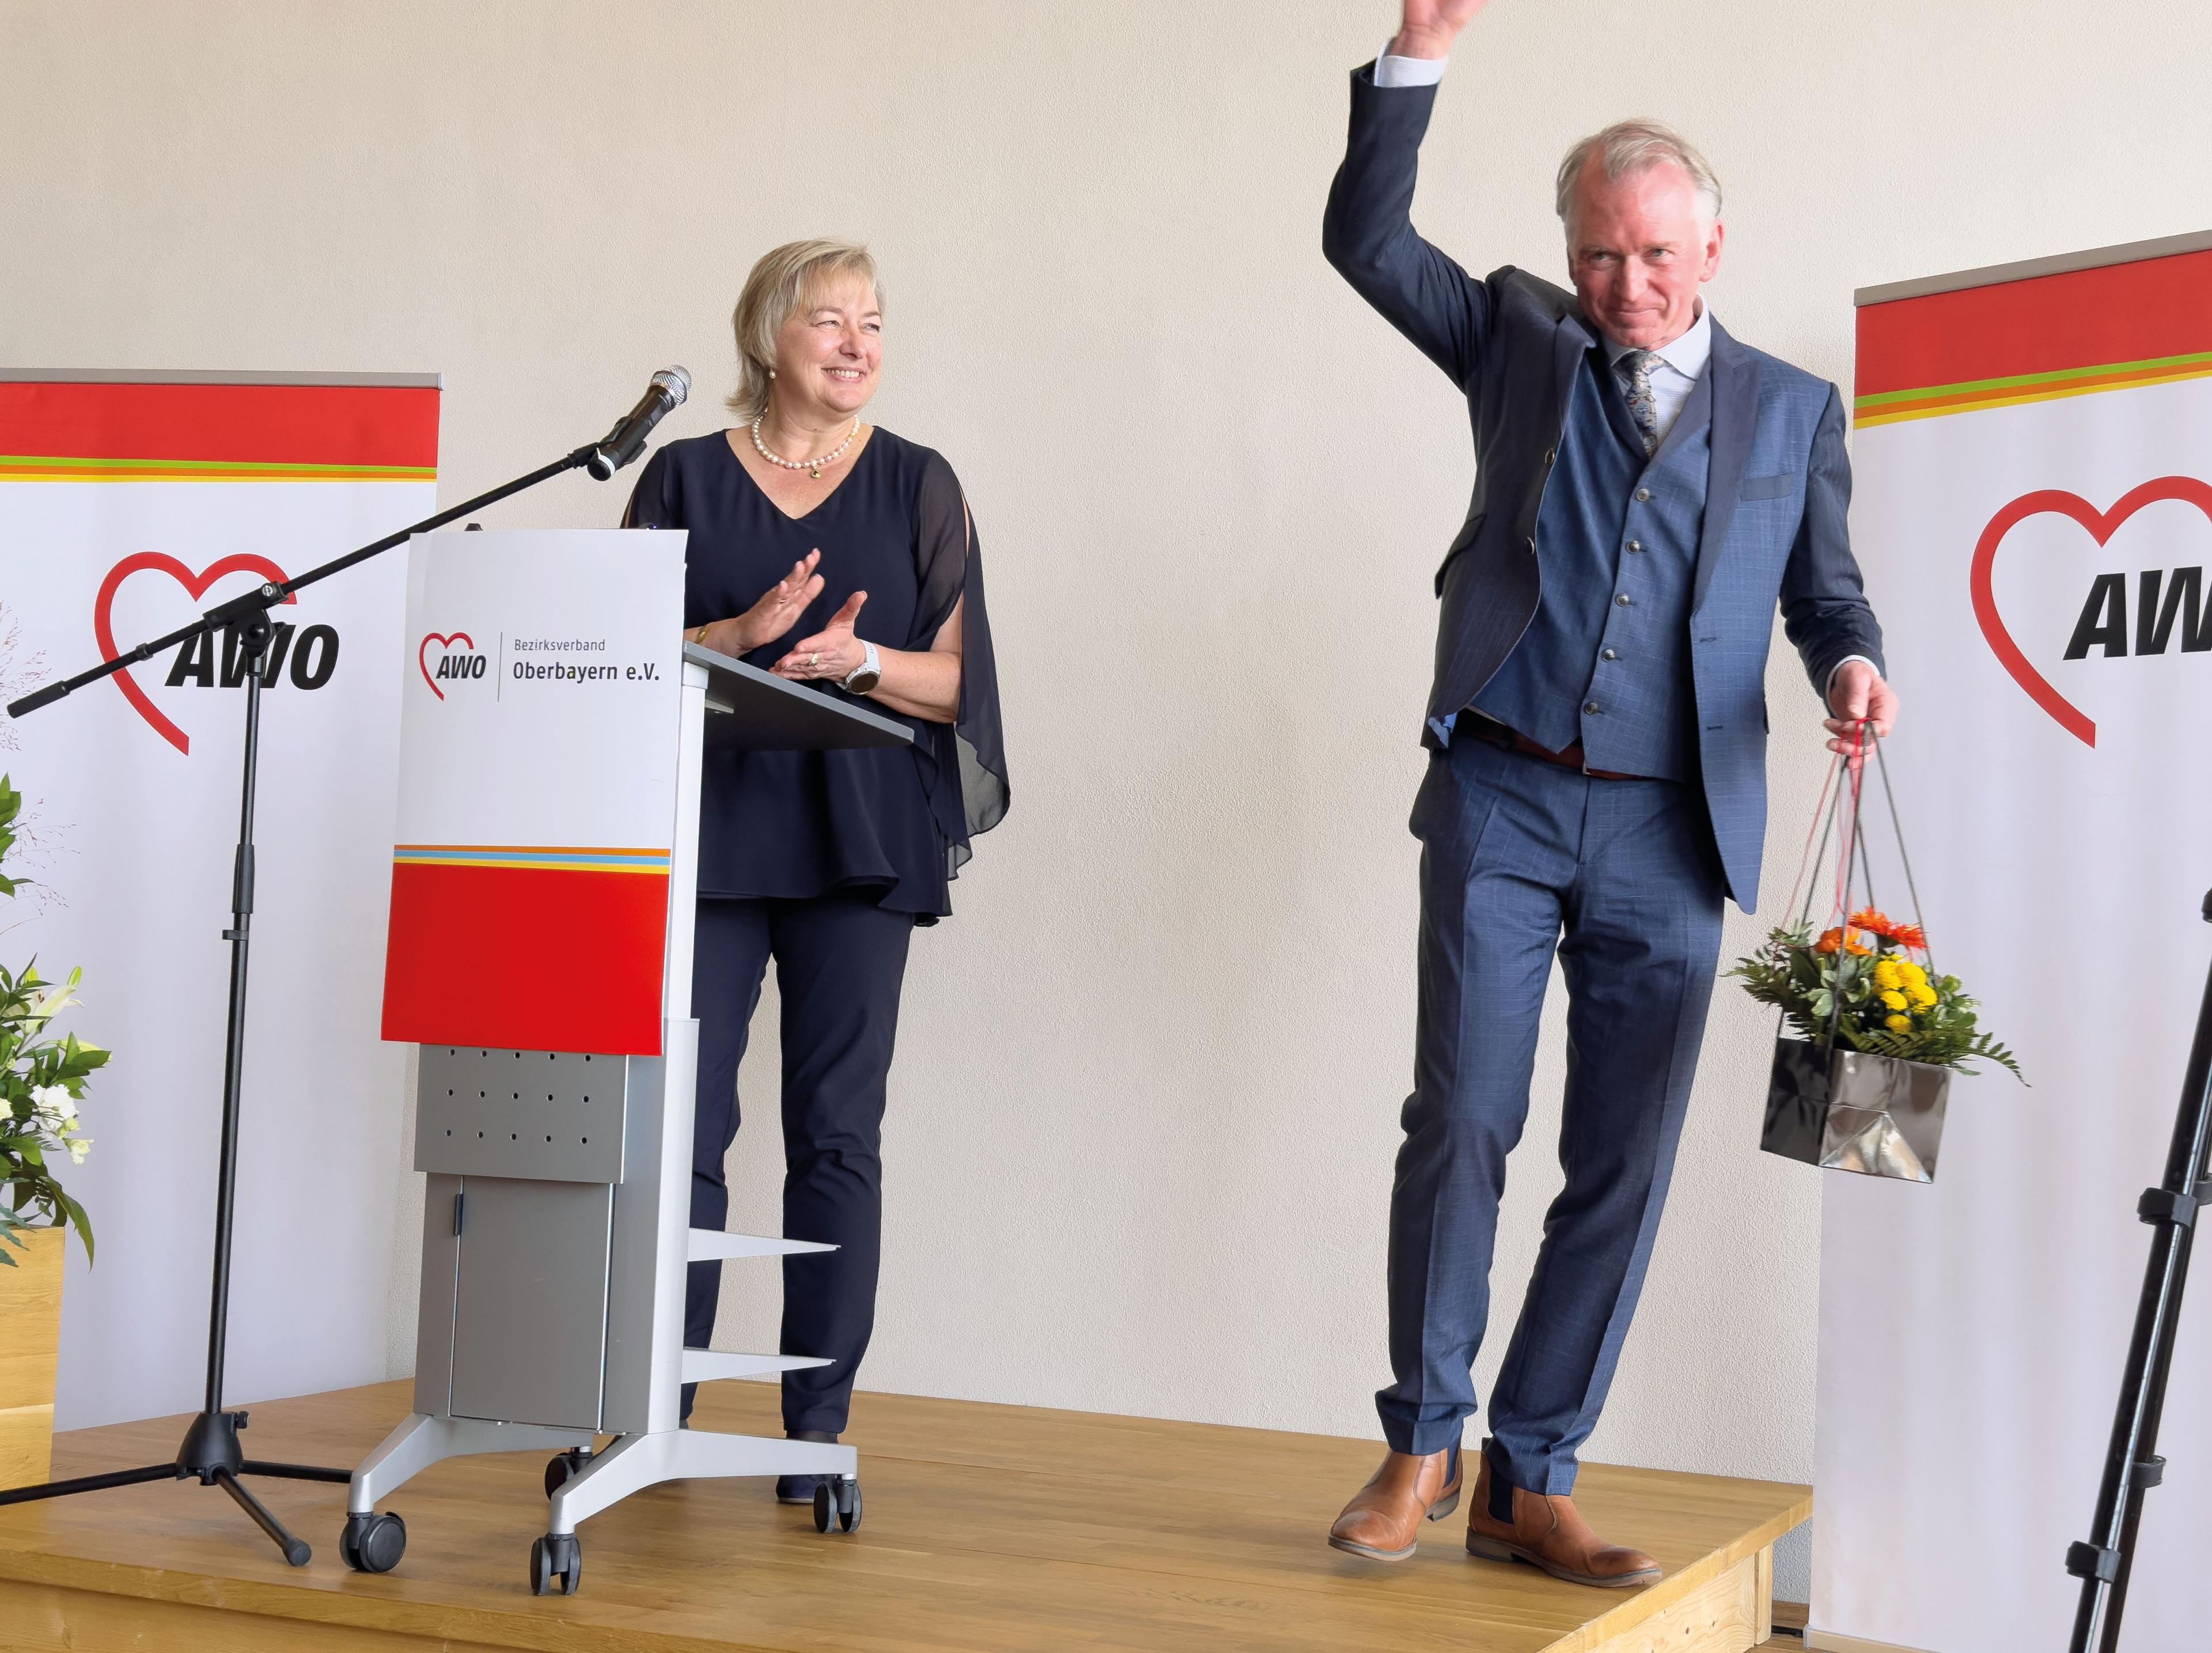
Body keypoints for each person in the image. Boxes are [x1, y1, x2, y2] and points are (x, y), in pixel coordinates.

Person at [1320, 0, 1895, 1587]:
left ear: (1712, 245)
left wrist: (1853, 665)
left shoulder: (1792, 409)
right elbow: (1367, 241)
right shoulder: (1517, 338)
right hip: (1503, 797)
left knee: (1623, 1161)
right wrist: (1420, 57)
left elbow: (1826, 595)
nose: (1625, 286)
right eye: (1597, 256)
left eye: (1653, 255)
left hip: (1672, 826)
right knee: (1463, 1119)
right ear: (1567, 251)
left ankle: (1533, 1474)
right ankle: (1422, 1441)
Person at [623, 239, 1008, 1502]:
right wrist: (734, 635)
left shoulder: (919, 483)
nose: (858, 343)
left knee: (836, 1134)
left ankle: (814, 1430)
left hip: (860, 846)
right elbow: (612, 656)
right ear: (768, 339)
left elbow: (961, 683)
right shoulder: (682, 476)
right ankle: (655, 1410)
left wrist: (862, 664)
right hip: (714, 839)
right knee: (683, 1129)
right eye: (831, 320)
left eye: (874, 322)